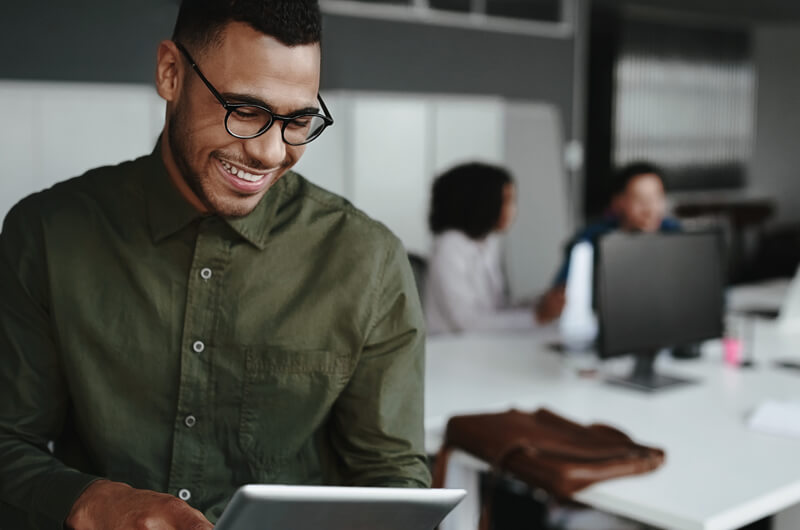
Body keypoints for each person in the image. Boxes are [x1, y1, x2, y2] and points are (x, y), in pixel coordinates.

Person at [0, 2, 430, 528]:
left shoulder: (368, 260)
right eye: (245, 110)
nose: (271, 153)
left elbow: (393, 481)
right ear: (170, 73)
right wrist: (90, 502)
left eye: (298, 120)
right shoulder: (45, 235)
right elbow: (6, 441)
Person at [536, 161, 680, 324]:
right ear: (618, 202)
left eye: (656, 198)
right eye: (639, 199)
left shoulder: (674, 233)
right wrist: (554, 303)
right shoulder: (591, 240)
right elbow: (555, 300)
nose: (650, 209)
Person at [424, 162, 560, 334]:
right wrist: (536, 317)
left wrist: (538, 305)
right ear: (482, 202)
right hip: (452, 350)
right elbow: (468, 323)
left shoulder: (487, 243)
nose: (512, 210)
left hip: (482, 346)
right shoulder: (449, 248)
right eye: (506, 201)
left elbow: (496, 309)